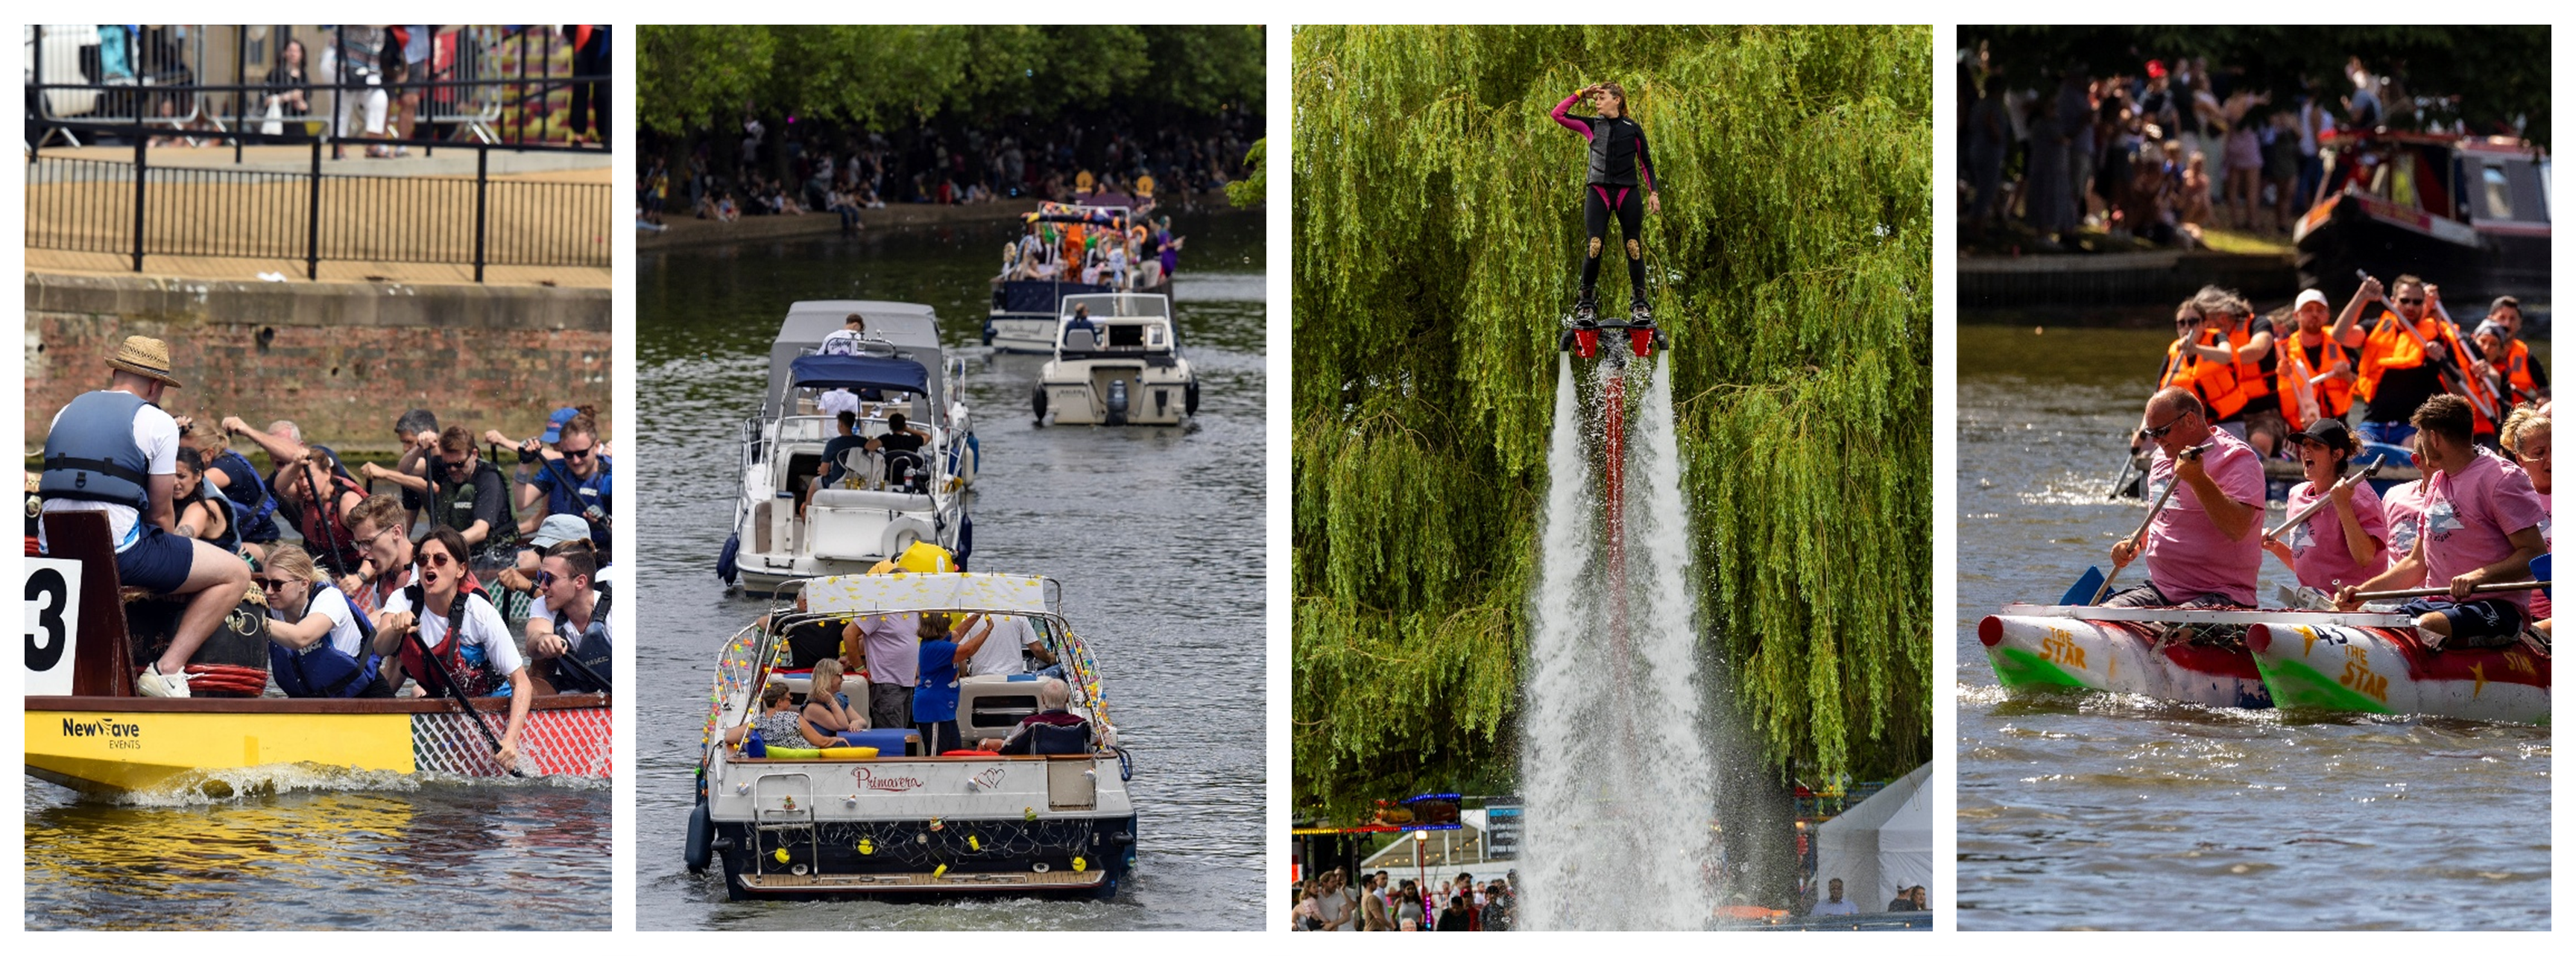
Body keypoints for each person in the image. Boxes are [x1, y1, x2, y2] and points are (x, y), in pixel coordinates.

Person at [38, 337, 255, 697]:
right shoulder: (157, 422)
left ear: (114, 372)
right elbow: (160, 510)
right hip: (118, 553)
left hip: (55, 550)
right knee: (236, 573)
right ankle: (166, 671)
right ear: (156, 385)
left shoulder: (66, 410)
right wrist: (168, 563)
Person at [2335, 396, 2548, 649]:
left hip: (2498, 609)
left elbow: (2534, 553)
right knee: (2368, 625)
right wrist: (2361, 593)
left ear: (2434, 438)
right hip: (2438, 603)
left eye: (2422, 436)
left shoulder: (2501, 478)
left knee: (2428, 627)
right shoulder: (2437, 481)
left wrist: (2478, 576)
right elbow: (2416, 563)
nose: (2421, 445)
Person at [376, 528, 534, 763]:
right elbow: (381, 648)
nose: (430, 565)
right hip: (444, 705)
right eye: (422, 559)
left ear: (461, 569)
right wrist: (395, 629)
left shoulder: (479, 612)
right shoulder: (403, 599)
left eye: (440, 559)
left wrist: (510, 740)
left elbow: (522, 683)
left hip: (491, 706)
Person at [2105, 388, 2265, 608]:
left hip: (2223, 595)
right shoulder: (2162, 456)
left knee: (2174, 631)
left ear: (2190, 420)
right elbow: (2163, 518)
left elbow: (2238, 528)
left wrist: (2198, 479)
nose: (2157, 441)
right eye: (2152, 434)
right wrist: (2132, 542)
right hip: (2162, 590)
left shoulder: (2238, 459)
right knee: (2105, 614)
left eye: (2162, 431)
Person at [1551, 80, 1660, 323]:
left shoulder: (1632, 128)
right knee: (1595, 245)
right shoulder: (1592, 125)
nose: (1597, 102)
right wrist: (1581, 93)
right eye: (1596, 98)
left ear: (1617, 100)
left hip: (1627, 193)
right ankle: (1586, 304)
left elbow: (1646, 162)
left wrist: (1653, 193)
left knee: (1633, 246)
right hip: (1598, 192)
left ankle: (1640, 304)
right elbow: (1557, 114)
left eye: (1602, 98)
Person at [2261, 418, 2388, 597]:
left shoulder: (2360, 497)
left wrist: (2343, 506)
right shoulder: (2296, 495)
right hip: (2317, 601)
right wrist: (2275, 547)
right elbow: (2310, 567)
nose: (2306, 450)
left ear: (2336, 455)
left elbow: (2365, 557)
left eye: (2316, 446)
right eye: (2304, 445)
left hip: (2355, 602)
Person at [2355, 276, 2484, 446]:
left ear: (2423, 305)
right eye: (2405, 300)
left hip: (2412, 427)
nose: (2410, 306)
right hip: (2374, 422)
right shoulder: (2375, 328)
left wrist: (2442, 359)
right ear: (2393, 301)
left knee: (2413, 446)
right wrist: (2361, 296)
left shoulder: (2436, 339)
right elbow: (2339, 335)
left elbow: (2461, 390)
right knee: (2356, 450)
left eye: (2417, 302)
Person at [365, 425, 520, 568]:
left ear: (474, 454)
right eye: (448, 465)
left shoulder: (489, 478)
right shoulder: (445, 467)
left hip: (495, 558)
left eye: (459, 464)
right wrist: (420, 446)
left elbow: (480, 531)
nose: (453, 469)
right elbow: (406, 469)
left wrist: (440, 545)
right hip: (457, 553)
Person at [258, 542, 394, 698]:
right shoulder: (270, 607)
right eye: (264, 583)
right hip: (311, 704)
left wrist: (255, 621)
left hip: (363, 696)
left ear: (303, 584)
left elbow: (301, 637)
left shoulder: (329, 598)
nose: (268, 591)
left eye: (277, 584)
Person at [2270, 288, 2367, 434]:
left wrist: (2347, 375)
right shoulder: (2284, 350)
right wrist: (2281, 373)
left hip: (2337, 424)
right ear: (2296, 315)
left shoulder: (2341, 341)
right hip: (2299, 427)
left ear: (2327, 315)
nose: (2315, 314)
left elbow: (2364, 389)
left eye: (2320, 310)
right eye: (2308, 310)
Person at [526, 540, 612, 694]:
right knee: (527, 688)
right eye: (540, 576)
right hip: (575, 686)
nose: (542, 587)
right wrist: (542, 639)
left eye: (549, 578)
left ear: (580, 582)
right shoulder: (543, 604)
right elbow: (533, 640)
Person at [522, 411, 613, 552]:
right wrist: (524, 464)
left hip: (601, 552)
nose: (576, 461)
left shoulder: (610, 478)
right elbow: (521, 503)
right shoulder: (555, 470)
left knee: (526, 560)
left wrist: (606, 522)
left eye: (582, 453)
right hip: (560, 550)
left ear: (596, 447)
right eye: (568, 455)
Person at [911, 612, 993, 754]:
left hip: (944, 711)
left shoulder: (939, 641)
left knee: (954, 754)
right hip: (934, 712)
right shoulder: (935, 647)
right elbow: (968, 650)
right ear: (941, 627)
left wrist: (977, 614)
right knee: (938, 758)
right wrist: (988, 629)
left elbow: (960, 631)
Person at [2499, 406, 2550, 630]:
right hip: (2522, 613)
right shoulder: (2509, 497)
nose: (2551, 459)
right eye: (2539, 453)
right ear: (2520, 459)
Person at [973, 677, 1093, 754]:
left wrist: (985, 742)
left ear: (1043, 700)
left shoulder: (1029, 724)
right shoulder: (1082, 725)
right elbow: (1098, 741)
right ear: (1067, 699)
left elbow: (1008, 746)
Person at [726, 681, 837, 750]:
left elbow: (729, 738)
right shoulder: (794, 718)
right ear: (779, 702)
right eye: (789, 699)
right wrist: (838, 739)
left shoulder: (757, 722)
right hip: (804, 760)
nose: (790, 703)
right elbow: (821, 742)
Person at [170, 446, 237, 555]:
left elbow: (175, 551)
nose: (174, 482)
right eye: (169, 475)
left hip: (231, 564)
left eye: (181, 476)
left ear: (198, 476)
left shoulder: (200, 509)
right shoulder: (174, 496)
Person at [965, 612, 1054, 677]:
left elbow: (961, 653)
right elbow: (1037, 649)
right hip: (1013, 679)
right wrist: (1049, 659)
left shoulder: (969, 617)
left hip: (981, 681)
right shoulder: (1017, 614)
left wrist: (965, 675)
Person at [802, 657, 866, 735]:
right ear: (829, 677)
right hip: (819, 747)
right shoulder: (812, 707)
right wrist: (831, 702)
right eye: (840, 676)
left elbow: (863, 721)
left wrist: (856, 723)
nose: (843, 680)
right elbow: (842, 726)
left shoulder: (840, 698)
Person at [868, 412, 932, 490]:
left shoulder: (887, 439)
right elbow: (927, 436)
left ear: (890, 426)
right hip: (910, 477)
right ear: (904, 425)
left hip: (891, 476)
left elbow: (869, 447)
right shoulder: (913, 440)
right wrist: (907, 429)